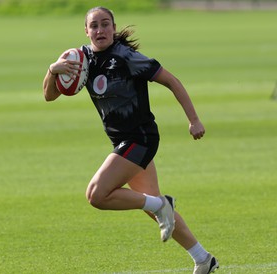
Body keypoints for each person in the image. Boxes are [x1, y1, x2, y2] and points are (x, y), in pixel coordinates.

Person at [43, 6, 219, 274]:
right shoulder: (81, 59)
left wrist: (193, 119)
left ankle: (163, 205)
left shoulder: (127, 57)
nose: (100, 30)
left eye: (105, 24)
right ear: (86, 30)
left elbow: (171, 80)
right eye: (94, 25)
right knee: (152, 207)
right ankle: (203, 258)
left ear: (114, 27)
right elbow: (50, 95)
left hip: (140, 139)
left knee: (97, 195)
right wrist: (52, 70)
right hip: (122, 142)